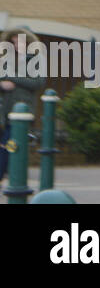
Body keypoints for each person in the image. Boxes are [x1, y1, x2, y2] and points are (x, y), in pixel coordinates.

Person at [0, 27, 46, 181]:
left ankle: (9, 177)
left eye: (18, 41)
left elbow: (38, 82)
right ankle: (12, 176)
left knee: (10, 145)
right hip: (5, 111)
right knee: (8, 145)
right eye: (12, 42)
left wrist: (13, 78)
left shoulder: (36, 59)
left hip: (22, 111)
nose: (15, 45)